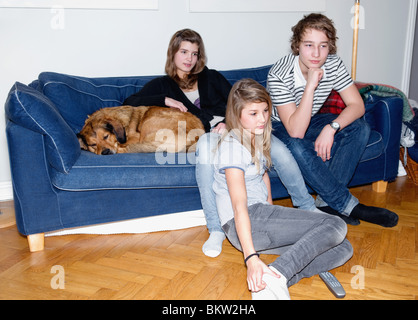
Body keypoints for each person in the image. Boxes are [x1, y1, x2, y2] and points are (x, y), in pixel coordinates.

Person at [124, 28, 319, 259]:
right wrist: (164, 99)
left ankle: (307, 206)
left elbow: (238, 102)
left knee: (279, 150)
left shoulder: (211, 76)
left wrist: (229, 122)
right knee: (206, 148)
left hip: (239, 127)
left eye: (194, 53)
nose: (189, 58)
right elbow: (130, 102)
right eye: (184, 52)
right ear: (173, 53)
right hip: (210, 136)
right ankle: (215, 229)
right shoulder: (162, 85)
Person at [213, 78, 353, 300]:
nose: (262, 119)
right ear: (236, 114)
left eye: (265, 111)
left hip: (261, 220)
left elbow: (263, 174)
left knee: (343, 248)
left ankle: (274, 281)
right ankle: (280, 273)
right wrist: (250, 259)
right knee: (335, 224)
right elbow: (239, 207)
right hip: (245, 224)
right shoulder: (232, 147)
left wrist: (274, 213)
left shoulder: (255, 137)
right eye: (253, 113)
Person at [267, 13, 398, 228]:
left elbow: (357, 106)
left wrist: (332, 127)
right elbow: (296, 131)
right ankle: (349, 205)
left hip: (313, 119)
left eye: (323, 46)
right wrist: (310, 85)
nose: (316, 54)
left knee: (361, 127)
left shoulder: (334, 64)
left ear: (330, 47)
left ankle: (327, 204)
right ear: (297, 45)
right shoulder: (279, 74)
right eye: (309, 45)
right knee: (297, 147)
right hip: (281, 125)